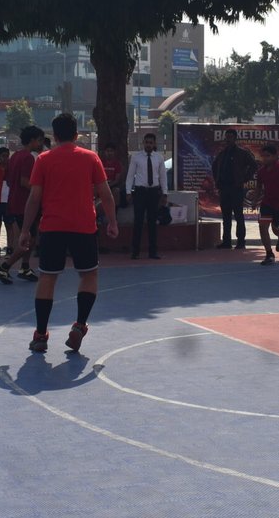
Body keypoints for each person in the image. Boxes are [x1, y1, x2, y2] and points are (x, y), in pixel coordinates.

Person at [16, 114, 119, 353]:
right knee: (89, 274)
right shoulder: (90, 157)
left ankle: (40, 335)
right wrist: (112, 222)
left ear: (54, 135)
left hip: (52, 226)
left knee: (47, 278)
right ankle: (80, 325)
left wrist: (25, 230)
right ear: (76, 134)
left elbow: (34, 198)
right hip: (83, 226)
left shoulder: (44, 159)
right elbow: (105, 193)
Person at [0, 125, 45, 283]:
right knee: (28, 239)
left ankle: (25, 267)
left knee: (30, 236)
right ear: (32, 140)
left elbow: (9, 180)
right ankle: (4, 266)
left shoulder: (15, 156)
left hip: (15, 201)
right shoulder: (28, 158)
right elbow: (25, 181)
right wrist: (42, 190)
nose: (41, 144)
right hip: (25, 204)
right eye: (39, 140)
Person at [210, 129, 256, 250]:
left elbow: (253, 165)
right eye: (227, 137)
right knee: (226, 216)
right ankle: (226, 241)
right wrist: (217, 180)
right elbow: (214, 167)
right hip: (224, 188)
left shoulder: (242, 153)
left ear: (235, 138)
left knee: (238, 215)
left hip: (236, 188)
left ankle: (241, 242)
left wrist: (244, 178)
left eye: (230, 137)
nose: (228, 139)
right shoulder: (222, 154)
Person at [125, 131, 167, 260]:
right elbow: (130, 175)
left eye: (151, 143)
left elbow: (163, 176)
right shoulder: (136, 157)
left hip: (154, 192)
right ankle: (135, 251)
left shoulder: (159, 158)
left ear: (154, 144)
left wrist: (165, 193)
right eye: (146, 142)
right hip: (140, 192)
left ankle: (153, 251)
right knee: (138, 221)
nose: (148, 145)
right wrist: (128, 191)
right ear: (143, 143)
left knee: (152, 222)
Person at [254, 144, 279, 265]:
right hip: (267, 203)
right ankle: (269, 254)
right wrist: (255, 200)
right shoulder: (261, 171)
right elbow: (258, 186)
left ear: (275, 156)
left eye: (268, 156)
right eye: (263, 156)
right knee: (263, 227)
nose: (265, 158)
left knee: (275, 229)